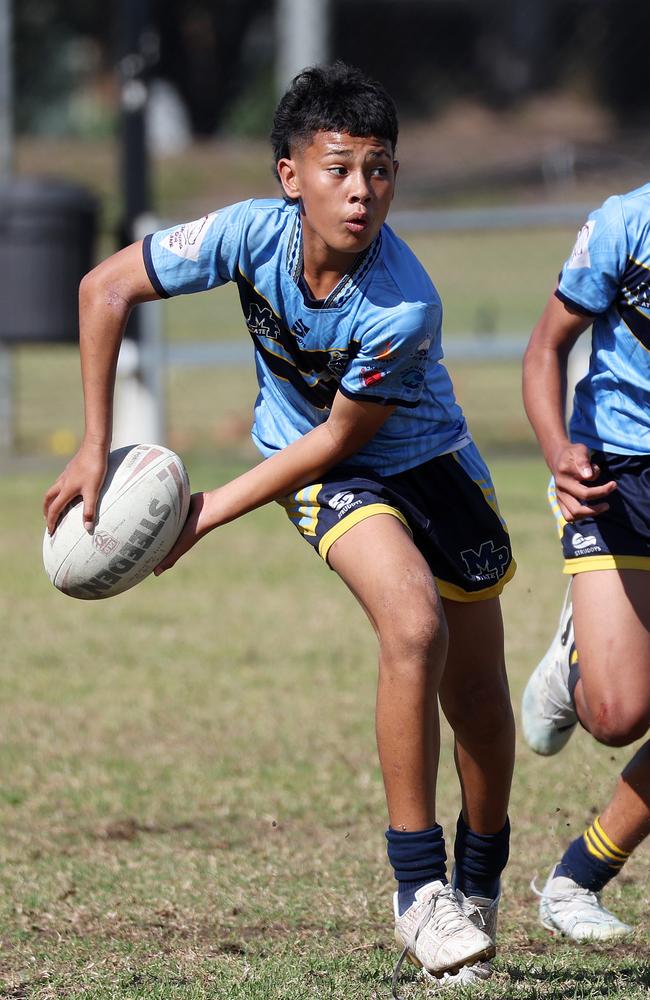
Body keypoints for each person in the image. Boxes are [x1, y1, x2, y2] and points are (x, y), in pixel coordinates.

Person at [44, 63, 515, 991]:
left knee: (479, 701)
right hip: (326, 469)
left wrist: (207, 512)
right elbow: (104, 289)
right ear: (288, 175)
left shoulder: (403, 303)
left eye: (379, 170)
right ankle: (419, 892)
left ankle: (481, 880)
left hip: (433, 467)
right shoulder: (244, 236)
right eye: (338, 168)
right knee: (409, 623)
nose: (361, 191)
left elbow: (352, 426)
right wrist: (92, 444)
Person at [521, 182, 650, 941]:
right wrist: (557, 454)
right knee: (617, 715)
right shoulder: (625, 225)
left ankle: (577, 880)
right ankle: (576, 658)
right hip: (614, 473)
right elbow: (545, 348)